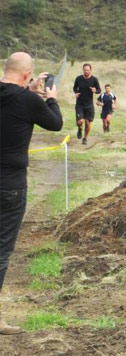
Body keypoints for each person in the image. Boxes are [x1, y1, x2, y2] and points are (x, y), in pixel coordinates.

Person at [0, 52, 63, 334]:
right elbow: (55, 123)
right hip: (11, 186)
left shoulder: (23, 96)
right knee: (1, 252)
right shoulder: (28, 101)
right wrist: (50, 97)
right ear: (27, 75)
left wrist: (29, 91)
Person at [73, 63, 100, 145]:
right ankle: (80, 129)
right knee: (80, 122)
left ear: (90, 70)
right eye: (85, 70)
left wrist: (95, 91)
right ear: (83, 70)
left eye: (88, 70)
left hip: (89, 105)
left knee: (88, 123)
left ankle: (85, 138)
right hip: (80, 104)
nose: (86, 72)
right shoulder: (78, 79)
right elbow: (74, 88)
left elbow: (99, 90)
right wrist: (76, 92)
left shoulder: (94, 79)